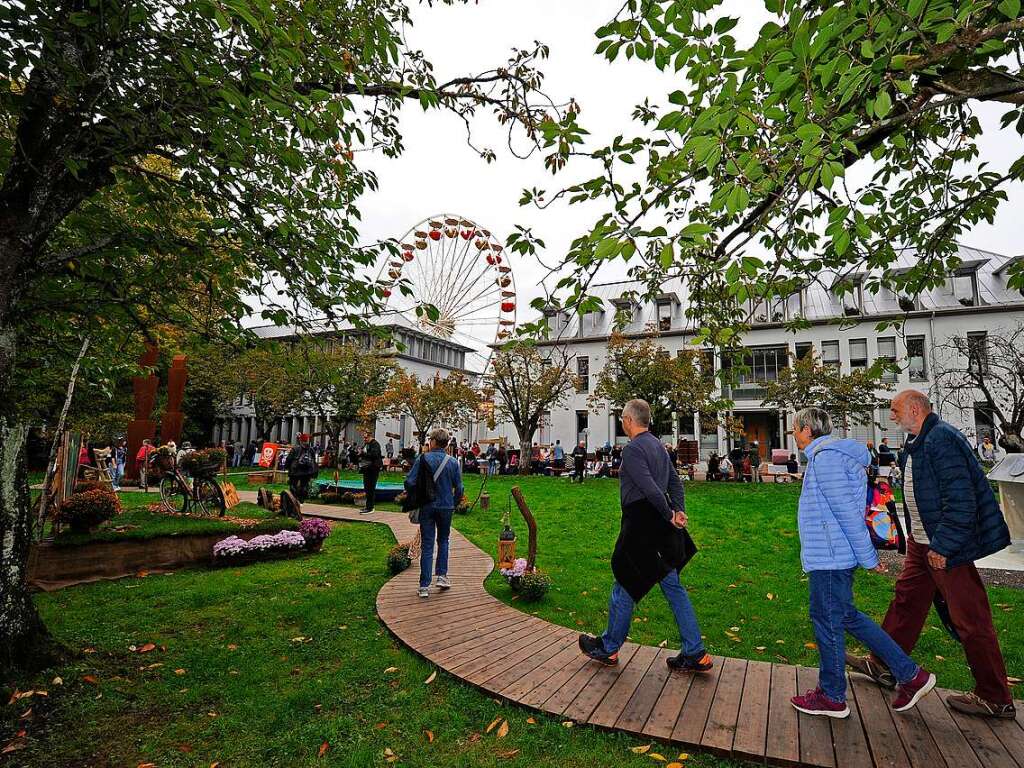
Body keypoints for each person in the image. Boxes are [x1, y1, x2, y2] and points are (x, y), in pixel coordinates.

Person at [847, 391, 1015, 719]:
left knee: (970, 617)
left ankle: (995, 696)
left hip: (944, 547)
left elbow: (961, 499)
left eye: (895, 411)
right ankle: (883, 664)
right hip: (923, 544)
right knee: (906, 603)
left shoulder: (942, 440)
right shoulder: (918, 443)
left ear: (914, 409)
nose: (891, 417)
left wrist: (944, 546)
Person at [790, 406, 935, 718]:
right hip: (834, 554)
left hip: (831, 557)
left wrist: (868, 558)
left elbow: (845, 513)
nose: (793, 434)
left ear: (807, 429)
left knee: (827, 621)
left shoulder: (826, 459)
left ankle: (832, 697)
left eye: (795, 428)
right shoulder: (832, 456)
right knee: (846, 617)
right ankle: (910, 675)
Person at [578, 399, 711, 672]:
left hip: (642, 525)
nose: (622, 424)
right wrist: (677, 510)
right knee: (670, 586)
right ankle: (695, 652)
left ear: (629, 420)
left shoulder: (634, 449)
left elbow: (650, 489)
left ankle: (609, 648)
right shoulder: (658, 446)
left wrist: (670, 513)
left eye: (622, 420)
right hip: (661, 527)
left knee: (626, 579)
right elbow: (674, 482)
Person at [405, 428, 464, 598]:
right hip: (446, 506)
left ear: (434, 442)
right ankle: (442, 576)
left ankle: (424, 586)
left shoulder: (423, 459)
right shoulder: (453, 462)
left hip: (427, 506)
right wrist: (454, 502)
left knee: (428, 544)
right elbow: (459, 487)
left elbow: (409, 481)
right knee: (444, 540)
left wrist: (416, 493)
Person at [285, 433, 319, 502]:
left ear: (300, 440)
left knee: (293, 484)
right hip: (307, 471)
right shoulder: (311, 449)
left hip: (295, 470)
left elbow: (289, 459)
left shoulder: (295, 448)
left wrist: (287, 467)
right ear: (307, 440)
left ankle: (293, 499)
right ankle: (301, 500)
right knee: (304, 485)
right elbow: (313, 460)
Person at [358, 429, 384, 513]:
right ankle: (367, 506)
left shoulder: (375, 444)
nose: (364, 439)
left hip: (373, 468)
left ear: (370, 436)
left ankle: (370, 507)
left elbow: (375, 455)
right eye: (364, 437)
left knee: (370, 487)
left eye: (366, 437)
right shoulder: (367, 444)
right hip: (366, 468)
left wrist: (363, 453)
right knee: (367, 487)